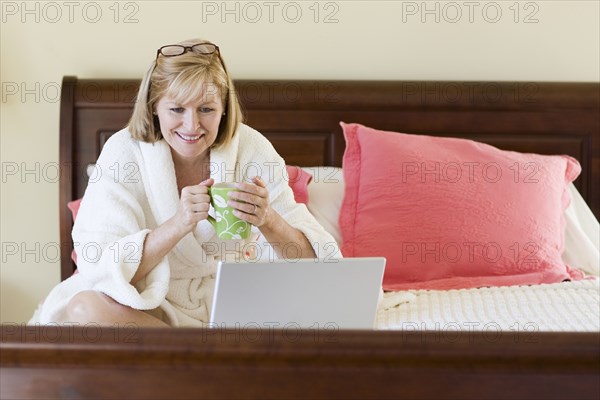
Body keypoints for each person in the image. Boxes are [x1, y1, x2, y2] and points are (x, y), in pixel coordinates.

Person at [31, 39, 340, 327]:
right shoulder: (123, 152)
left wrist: (269, 220)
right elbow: (101, 268)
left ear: (224, 109)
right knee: (84, 309)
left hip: (237, 301)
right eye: (177, 109)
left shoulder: (251, 148)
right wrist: (179, 224)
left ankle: (197, 358)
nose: (192, 125)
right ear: (154, 106)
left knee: (330, 313)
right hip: (152, 303)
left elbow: (317, 267)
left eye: (206, 109)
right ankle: (208, 355)